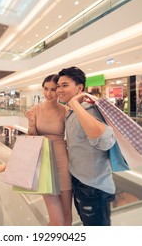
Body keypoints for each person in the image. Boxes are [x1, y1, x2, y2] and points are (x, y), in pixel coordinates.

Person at [57, 66, 116, 226]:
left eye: (65, 85)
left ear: (80, 88)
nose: (59, 90)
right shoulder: (70, 113)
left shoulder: (90, 110)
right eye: (58, 86)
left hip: (94, 187)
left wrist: (75, 104)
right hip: (79, 181)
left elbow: (105, 142)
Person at [23, 74, 72, 226]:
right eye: (45, 89)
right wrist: (31, 125)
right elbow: (30, 137)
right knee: (57, 220)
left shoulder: (66, 110)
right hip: (43, 162)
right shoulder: (35, 109)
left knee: (67, 217)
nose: (48, 94)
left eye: (53, 89)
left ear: (59, 90)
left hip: (62, 161)